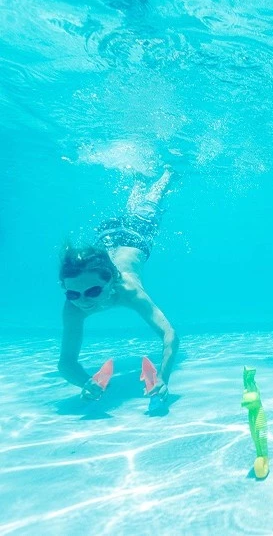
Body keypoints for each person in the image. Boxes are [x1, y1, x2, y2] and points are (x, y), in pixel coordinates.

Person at [58, 168, 179, 401]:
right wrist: (86, 382)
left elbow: (169, 334)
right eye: (73, 293)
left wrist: (163, 376)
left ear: (111, 281)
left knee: (150, 205)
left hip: (137, 234)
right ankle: (138, 181)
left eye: (93, 291)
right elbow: (66, 363)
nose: (83, 301)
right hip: (107, 236)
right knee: (134, 210)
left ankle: (166, 174)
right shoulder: (73, 306)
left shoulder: (128, 291)